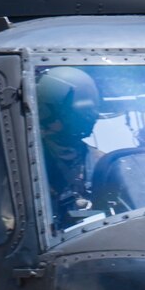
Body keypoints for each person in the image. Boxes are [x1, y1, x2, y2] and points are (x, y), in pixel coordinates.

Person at [37, 66, 104, 230]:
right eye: (78, 112)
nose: (90, 118)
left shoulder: (100, 162)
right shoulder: (28, 168)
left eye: (89, 110)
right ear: (49, 114)